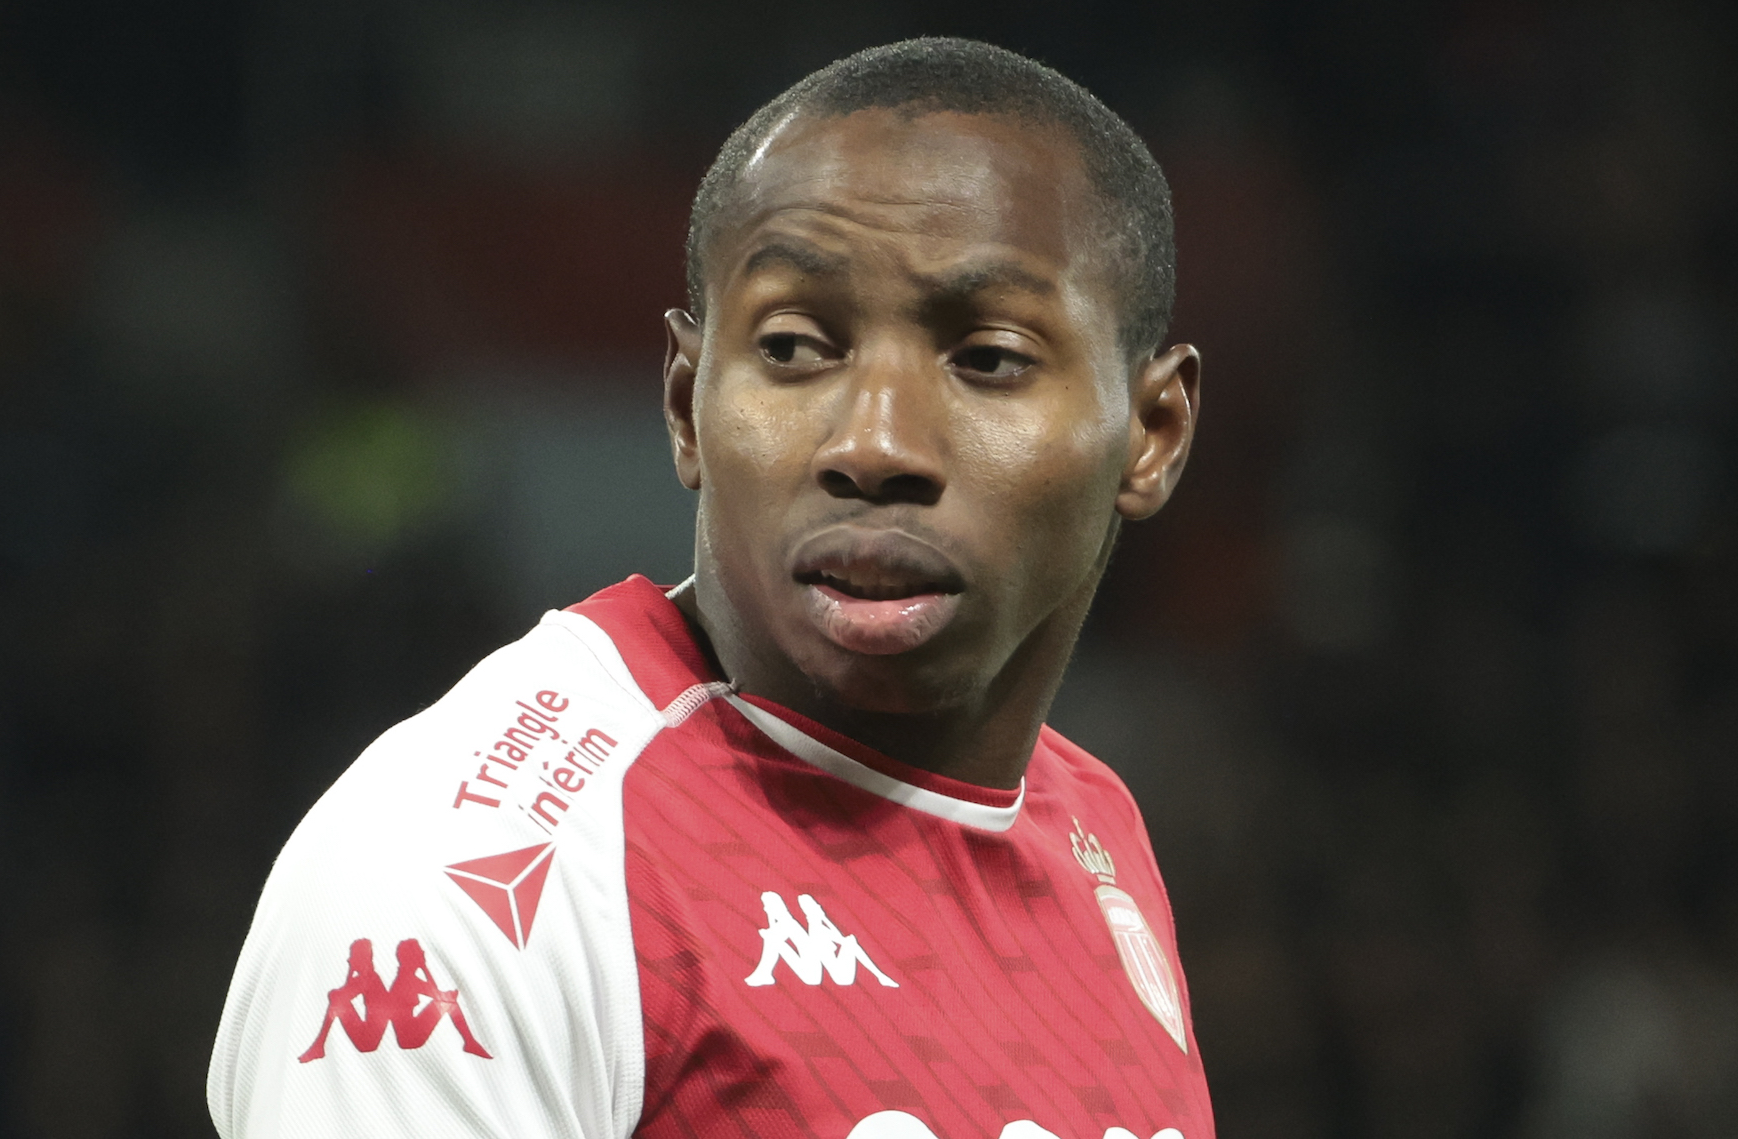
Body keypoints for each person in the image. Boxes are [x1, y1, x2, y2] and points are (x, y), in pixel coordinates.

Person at [208, 36, 1209, 1139]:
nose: (872, 442)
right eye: (792, 346)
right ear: (686, 403)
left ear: (1150, 434)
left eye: (987, 358)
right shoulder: (477, 871)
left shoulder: (1093, 826)